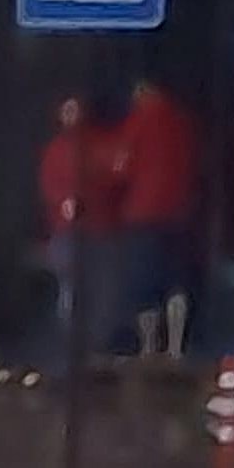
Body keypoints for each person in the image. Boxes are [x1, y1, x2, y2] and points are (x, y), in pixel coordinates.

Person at [108, 73, 202, 362]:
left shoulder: (138, 120)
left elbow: (120, 166)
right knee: (176, 280)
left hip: (143, 212)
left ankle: (148, 348)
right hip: (179, 211)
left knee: (144, 283)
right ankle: (175, 347)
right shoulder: (183, 121)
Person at [36, 94, 126, 366]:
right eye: (67, 110)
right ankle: (72, 345)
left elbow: (115, 175)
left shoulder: (100, 144)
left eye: (75, 109)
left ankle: (94, 346)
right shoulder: (56, 150)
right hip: (68, 232)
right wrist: (63, 202)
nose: (71, 116)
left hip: (100, 229)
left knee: (101, 290)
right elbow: (49, 186)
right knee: (71, 288)